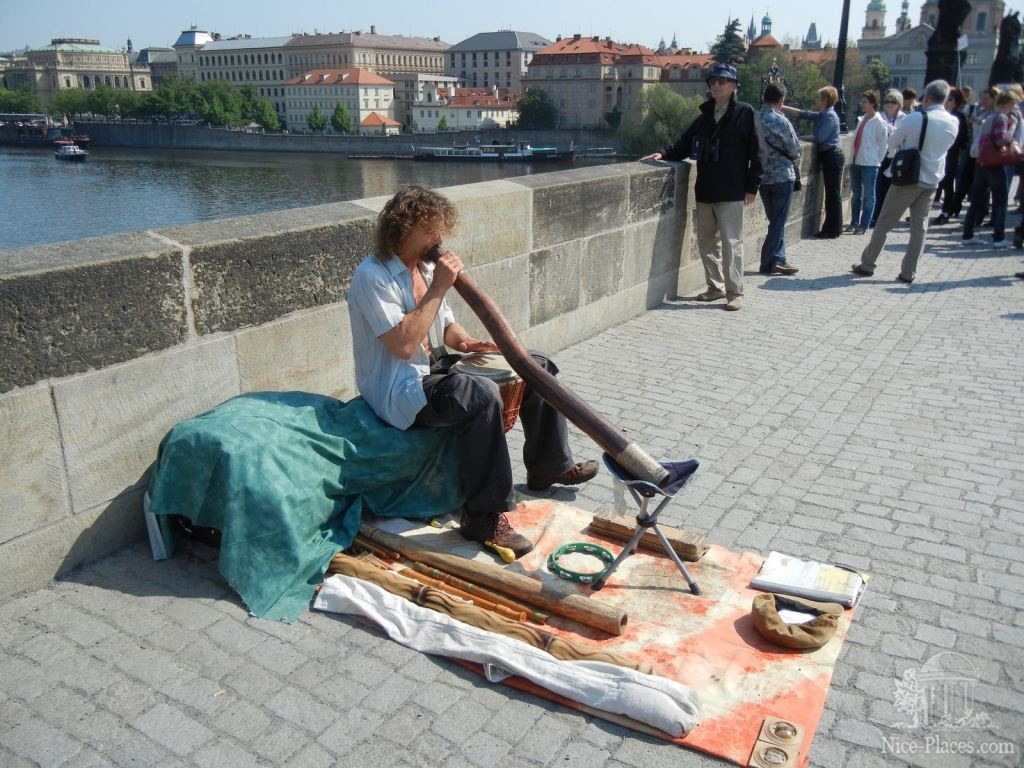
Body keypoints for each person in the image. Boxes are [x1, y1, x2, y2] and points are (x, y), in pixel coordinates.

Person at [347, 186, 598, 558]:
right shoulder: (372, 276)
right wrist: (438, 288)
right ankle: (483, 517)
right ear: (403, 229)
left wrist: (467, 342)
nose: (439, 239)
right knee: (478, 394)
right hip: (399, 386)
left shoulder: (427, 268)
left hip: (437, 368)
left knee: (535, 364)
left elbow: (445, 328)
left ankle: (549, 466)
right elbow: (402, 344)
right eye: (431, 230)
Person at [640, 62, 762, 311]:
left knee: (731, 242)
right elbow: (684, 143)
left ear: (733, 85)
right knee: (707, 243)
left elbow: (759, 152)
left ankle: (734, 292)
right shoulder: (705, 115)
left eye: (721, 81)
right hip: (706, 188)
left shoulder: (745, 113)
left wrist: (752, 186)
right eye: (712, 81)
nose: (715, 85)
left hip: (732, 189)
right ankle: (715, 287)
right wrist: (662, 154)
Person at [851, 80, 959, 282]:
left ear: (926, 97)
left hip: (908, 177)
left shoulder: (917, 117)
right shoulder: (953, 122)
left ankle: (868, 264)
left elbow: (892, 143)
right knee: (920, 227)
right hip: (932, 179)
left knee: (884, 222)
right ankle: (909, 271)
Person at [783, 86, 843, 238]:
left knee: (833, 194)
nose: (816, 101)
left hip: (832, 156)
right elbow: (804, 114)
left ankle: (832, 229)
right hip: (829, 156)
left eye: (818, 98)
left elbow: (819, 137)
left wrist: (799, 138)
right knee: (831, 193)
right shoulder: (825, 114)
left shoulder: (829, 116)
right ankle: (832, 228)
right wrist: (783, 107)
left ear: (824, 100)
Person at [961, 90, 1019, 248]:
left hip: (981, 162)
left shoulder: (989, 117)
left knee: (976, 201)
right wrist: (1013, 126)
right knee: (1000, 201)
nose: (1014, 108)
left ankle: (968, 234)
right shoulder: (1001, 117)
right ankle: (999, 238)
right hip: (994, 164)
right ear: (1006, 104)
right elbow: (1001, 141)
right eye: (1013, 104)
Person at [755, 81, 801, 275]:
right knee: (778, 222)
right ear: (781, 100)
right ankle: (767, 262)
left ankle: (779, 260)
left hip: (763, 178)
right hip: (783, 176)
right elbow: (795, 150)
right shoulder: (780, 120)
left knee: (775, 220)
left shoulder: (754, 118)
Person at [846, 90, 888, 235]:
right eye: (862, 101)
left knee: (869, 196)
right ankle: (854, 222)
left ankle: (863, 225)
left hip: (869, 163)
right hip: (856, 160)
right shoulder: (862, 119)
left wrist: (877, 160)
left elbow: (884, 145)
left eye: (864, 102)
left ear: (872, 104)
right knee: (856, 194)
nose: (861, 104)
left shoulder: (879, 122)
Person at [934, 88, 970, 225]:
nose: (946, 102)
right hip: (937, 152)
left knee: (947, 184)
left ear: (956, 101)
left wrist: (954, 146)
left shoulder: (959, 116)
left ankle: (946, 212)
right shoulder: (940, 114)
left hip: (951, 154)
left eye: (950, 99)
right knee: (936, 182)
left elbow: (965, 138)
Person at [872, 89, 907, 227]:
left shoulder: (904, 118)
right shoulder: (879, 117)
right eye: (887, 102)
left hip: (896, 157)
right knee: (879, 188)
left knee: (893, 191)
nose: (889, 104)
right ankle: (876, 216)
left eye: (892, 102)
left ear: (898, 104)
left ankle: (890, 218)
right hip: (881, 156)